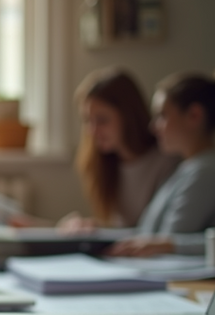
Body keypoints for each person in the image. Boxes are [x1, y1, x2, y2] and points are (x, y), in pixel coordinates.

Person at [108, 68, 215, 256]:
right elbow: (149, 236)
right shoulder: (189, 168)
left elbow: (168, 241)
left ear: (194, 115)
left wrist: (162, 245)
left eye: (162, 116)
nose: (153, 127)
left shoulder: (206, 172)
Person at [59, 68, 181, 230]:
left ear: (128, 116)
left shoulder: (167, 162)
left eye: (102, 120)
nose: (92, 131)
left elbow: (153, 232)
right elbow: (120, 229)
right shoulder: (104, 164)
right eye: (88, 121)